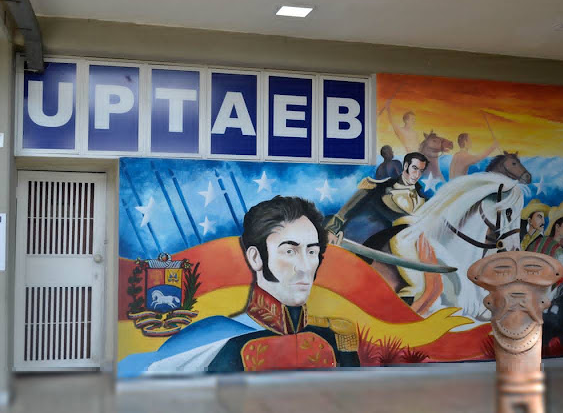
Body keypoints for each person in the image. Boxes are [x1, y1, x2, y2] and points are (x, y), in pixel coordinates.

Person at [118, 196, 359, 377]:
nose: (305, 266)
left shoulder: (333, 337)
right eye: (289, 251)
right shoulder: (221, 345)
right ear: (255, 257)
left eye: (312, 252)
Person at [325, 152, 429, 305]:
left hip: (416, 246)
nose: (417, 174)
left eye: (421, 171)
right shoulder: (381, 187)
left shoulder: (423, 198)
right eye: (414, 168)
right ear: (406, 166)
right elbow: (348, 208)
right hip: (377, 242)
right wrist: (332, 229)